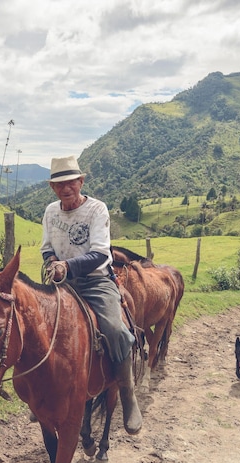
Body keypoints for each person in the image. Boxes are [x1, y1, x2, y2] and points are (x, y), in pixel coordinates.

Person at [40, 155, 142, 435]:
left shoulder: (97, 210)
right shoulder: (50, 212)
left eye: (70, 182)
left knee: (116, 331)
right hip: (63, 283)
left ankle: (127, 393)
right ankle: (43, 395)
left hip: (96, 282)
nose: (65, 189)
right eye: (59, 184)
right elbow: (47, 247)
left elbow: (100, 254)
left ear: (81, 182)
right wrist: (52, 263)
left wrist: (67, 265)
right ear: (52, 187)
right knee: (38, 329)